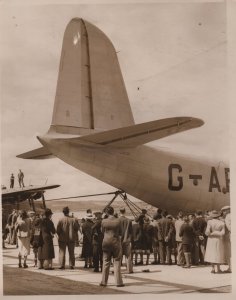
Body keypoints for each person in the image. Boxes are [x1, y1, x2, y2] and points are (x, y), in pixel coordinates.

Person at [100, 206, 124, 287]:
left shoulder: (104, 221)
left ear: (106, 212)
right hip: (115, 243)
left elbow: (102, 231)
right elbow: (121, 233)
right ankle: (119, 282)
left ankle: (103, 282)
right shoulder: (118, 221)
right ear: (113, 212)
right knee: (117, 262)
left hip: (106, 242)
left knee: (106, 262)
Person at [119, 207, 133, 273]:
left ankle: (118, 270)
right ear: (125, 211)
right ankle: (129, 269)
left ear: (119, 212)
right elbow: (131, 232)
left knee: (118, 255)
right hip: (127, 240)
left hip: (119, 240)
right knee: (128, 255)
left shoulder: (117, 220)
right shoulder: (129, 220)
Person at [221, 206, 231, 273]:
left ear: (228, 210)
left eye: (224, 211)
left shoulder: (227, 216)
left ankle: (231, 268)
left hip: (229, 236)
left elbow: (229, 227)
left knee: (229, 253)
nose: (223, 212)